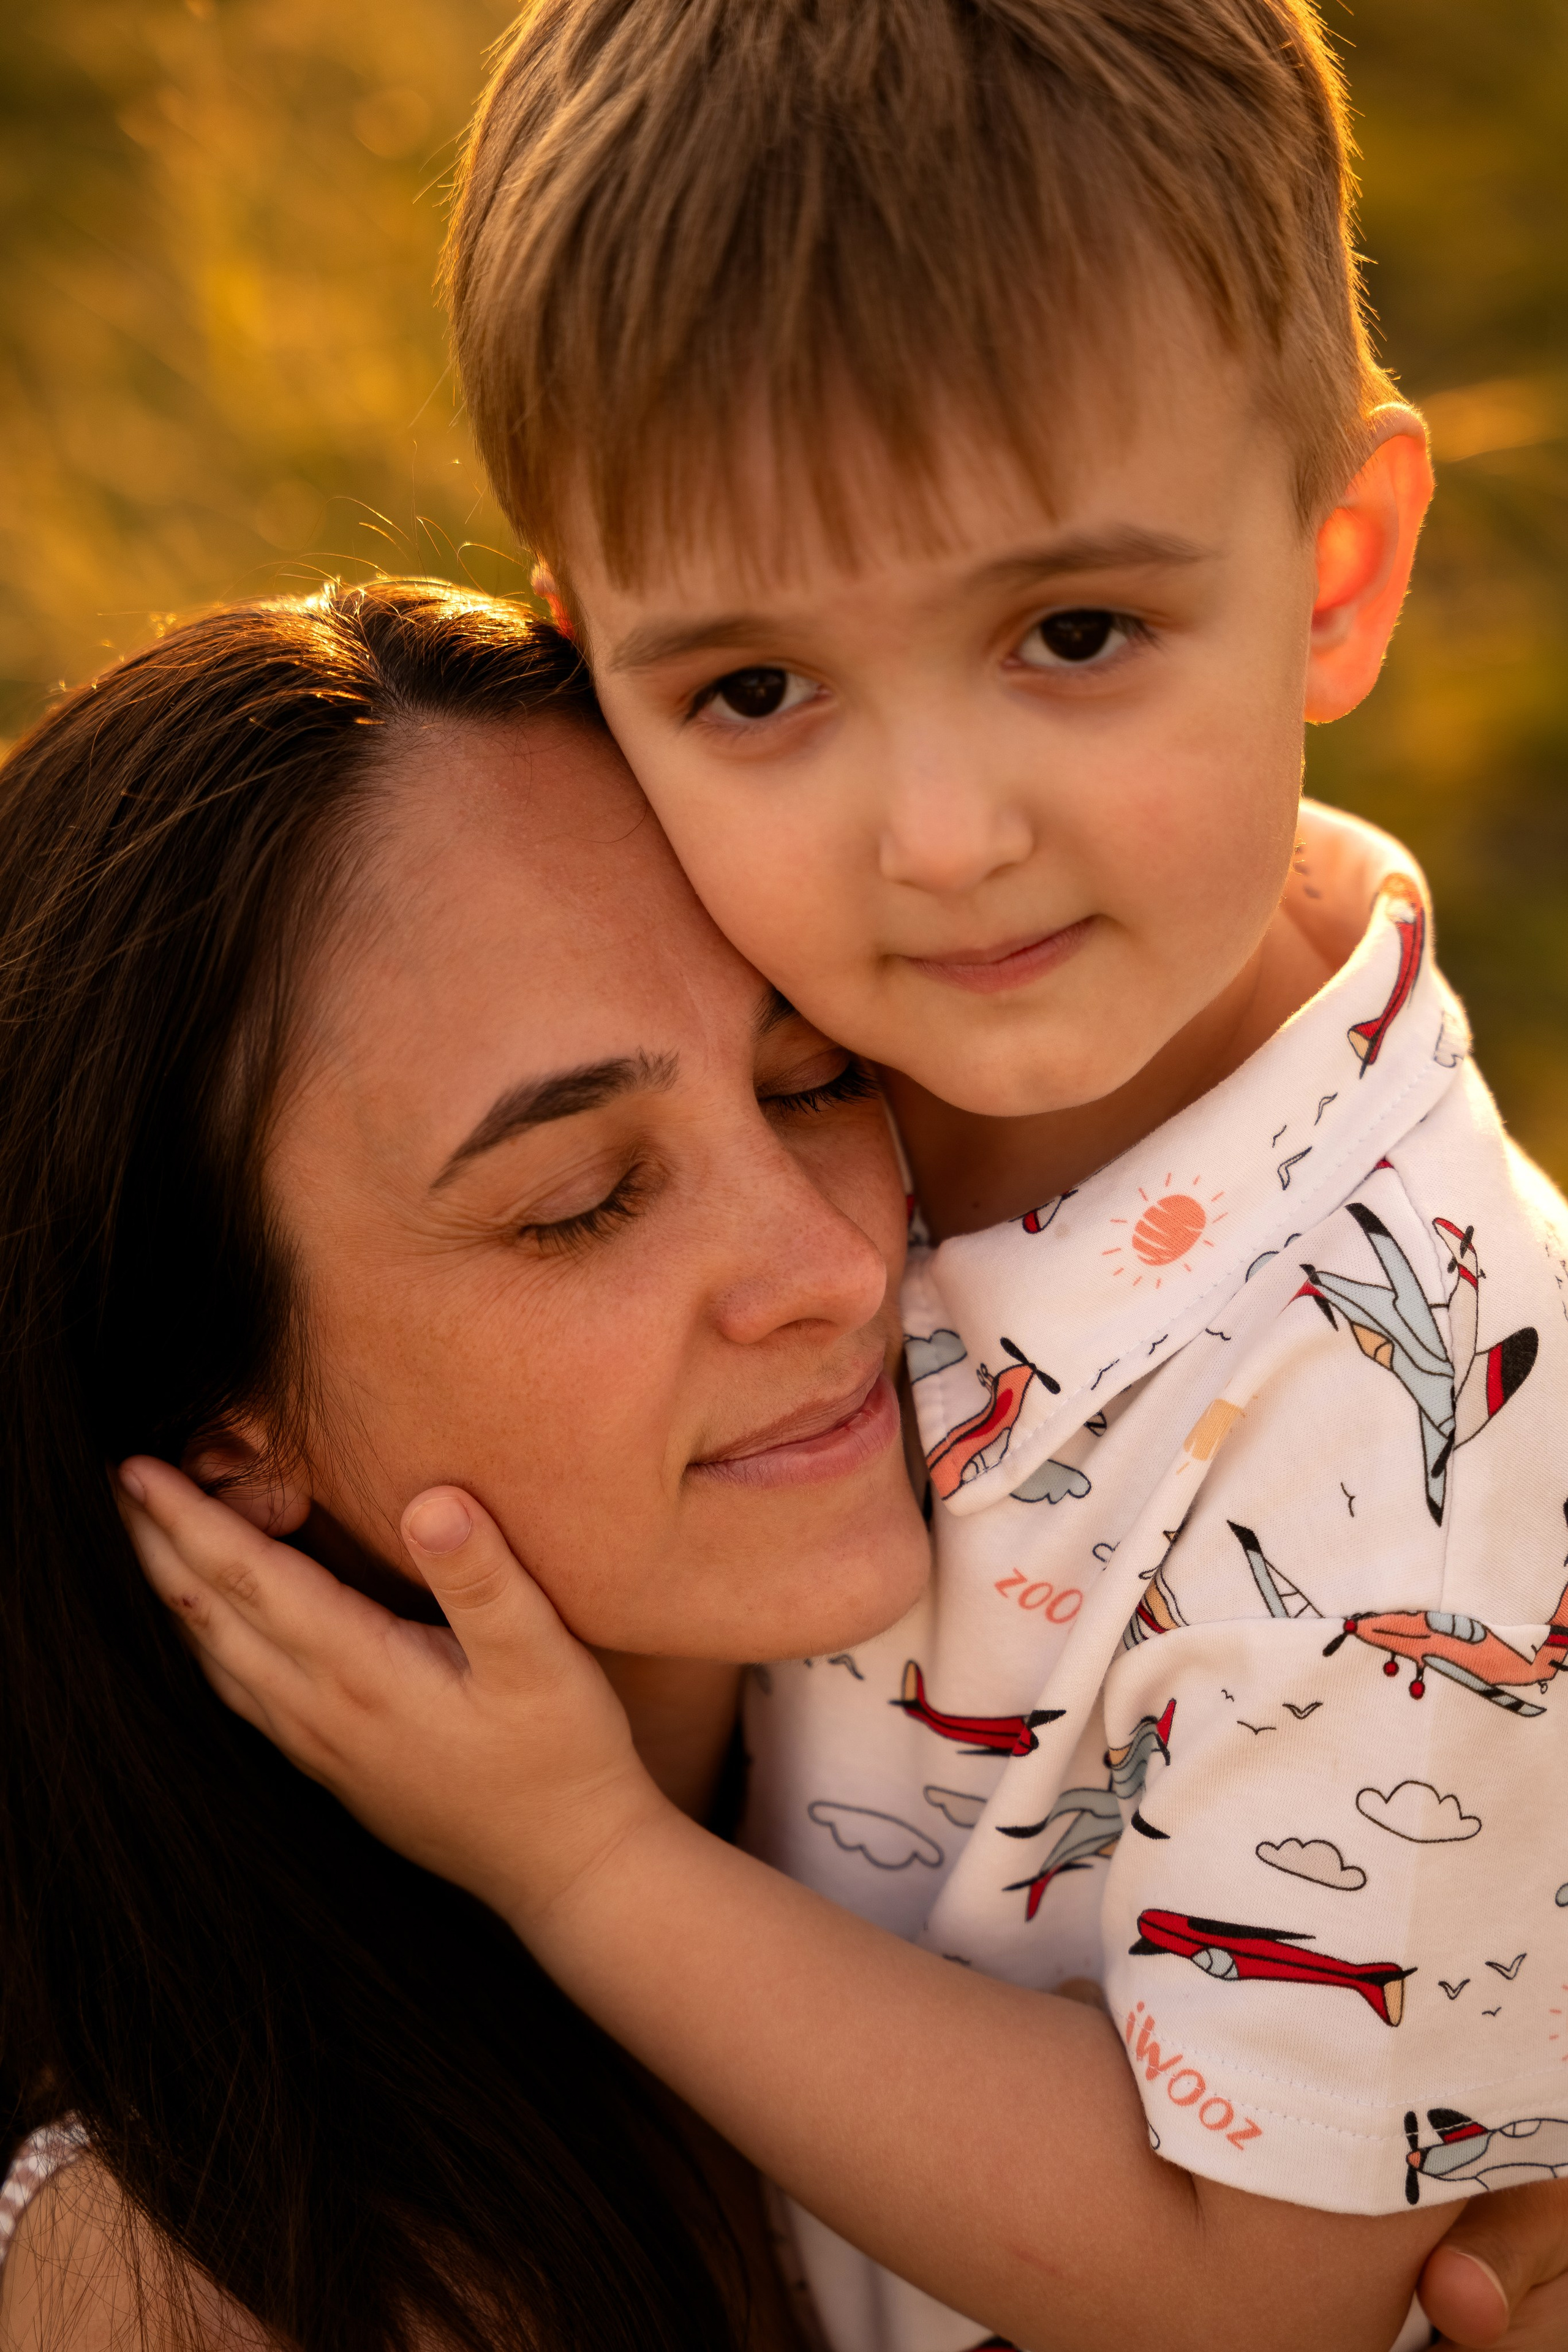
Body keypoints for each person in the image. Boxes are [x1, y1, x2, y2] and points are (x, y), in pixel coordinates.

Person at [120, 4, 1568, 2351]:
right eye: (759, 692)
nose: (939, 842)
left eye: (1073, 634)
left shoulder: (1423, 1414)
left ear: (1334, 573)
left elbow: (1255, 2288)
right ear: (594, 673)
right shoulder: (855, 1037)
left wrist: (578, 1861)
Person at [0, 576, 932, 2349]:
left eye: (815, 1076)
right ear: (229, 1434)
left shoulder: (1102, 1731)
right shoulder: (227, 2276)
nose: (828, 1263)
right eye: (580, 1204)